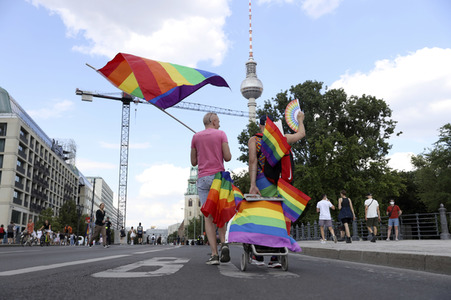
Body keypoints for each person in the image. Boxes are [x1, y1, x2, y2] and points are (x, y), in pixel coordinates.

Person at [248, 112, 306, 267]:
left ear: (260, 125)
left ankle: (258, 256)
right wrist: (300, 119)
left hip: (262, 182)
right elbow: (301, 134)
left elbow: (253, 162)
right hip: (281, 183)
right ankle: (275, 256)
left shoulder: (254, 140)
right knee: (279, 218)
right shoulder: (282, 138)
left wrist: (252, 184)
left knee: (263, 217)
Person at [191, 112, 232, 265]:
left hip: (203, 179)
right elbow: (227, 157)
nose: (220, 124)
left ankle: (214, 255)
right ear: (213, 121)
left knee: (208, 217)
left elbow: (193, 161)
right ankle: (224, 244)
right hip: (218, 178)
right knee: (220, 211)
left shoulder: (196, 137)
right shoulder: (221, 134)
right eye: (219, 121)